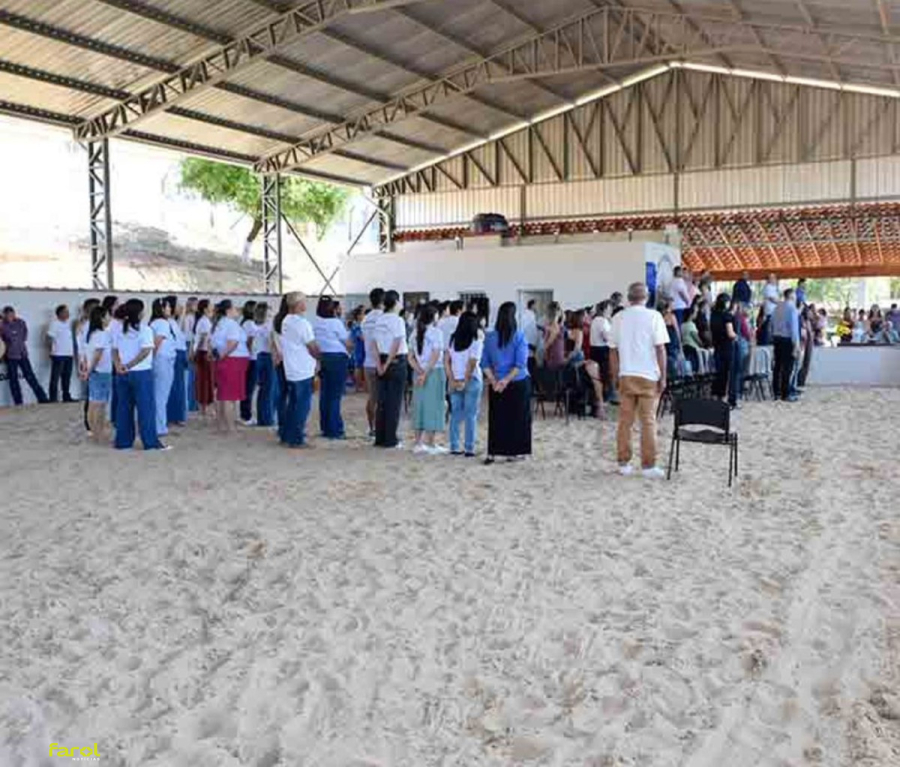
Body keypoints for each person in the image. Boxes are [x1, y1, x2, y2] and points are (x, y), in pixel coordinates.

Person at [609, 283, 669, 479]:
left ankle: (623, 463)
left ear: (628, 297)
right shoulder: (655, 316)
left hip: (626, 374)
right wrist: (663, 376)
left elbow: (613, 351)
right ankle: (648, 465)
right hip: (649, 375)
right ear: (647, 296)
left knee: (625, 422)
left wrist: (615, 375)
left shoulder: (618, 318)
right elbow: (661, 349)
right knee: (648, 422)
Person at [481, 302, 532, 465]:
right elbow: (520, 364)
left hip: (496, 384)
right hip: (517, 383)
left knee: (497, 418)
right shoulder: (519, 336)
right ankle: (514, 452)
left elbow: (484, 363)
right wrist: (505, 381)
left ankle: (493, 452)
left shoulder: (489, 337)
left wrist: (495, 381)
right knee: (518, 418)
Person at [113, 299, 166, 451]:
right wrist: (129, 365)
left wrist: (119, 366)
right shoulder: (145, 330)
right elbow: (145, 351)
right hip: (141, 373)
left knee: (123, 408)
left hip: (122, 374)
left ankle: (123, 442)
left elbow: (114, 350)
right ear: (139, 313)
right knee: (146, 409)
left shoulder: (119, 330)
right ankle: (150, 443)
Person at [279, 292, 319, 448]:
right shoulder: (303, 324)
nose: (306, 304)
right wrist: (319, 358)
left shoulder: (286, 320)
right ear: (298, 304)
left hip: (291, 367)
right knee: (302, 405)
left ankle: (287, 435)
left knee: (293, 404)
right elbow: (312, 346)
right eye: (304, 301)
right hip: (303, 368)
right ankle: (296, 438)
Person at [410, 304, 447, 454]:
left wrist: (419, 371)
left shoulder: (414, 333)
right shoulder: (436, 332)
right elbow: (436, 354)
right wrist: (426, 373)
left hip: (418, 373)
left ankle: (418, 443)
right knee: (435, 406)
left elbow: (410, 357)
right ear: (433, 317)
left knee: (419, 406)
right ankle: (430, 443)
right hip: (434, 372)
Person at [374, 290, 409, 449]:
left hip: (381, 360)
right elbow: (396, 342)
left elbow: (373, 343)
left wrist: (379, 365)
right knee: (394, 403)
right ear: (395, 303)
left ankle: (380, 438)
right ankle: (390, 439)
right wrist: (387, 364)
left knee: (382, 402)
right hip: (395, 362)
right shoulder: (397, 320)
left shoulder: (379, 319)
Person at [446, 312, 484, 457]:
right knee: (470, 415)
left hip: (456, 379)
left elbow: (447, 361)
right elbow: (473, 363)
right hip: (472, 380)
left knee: (455, 414)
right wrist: (465, 381)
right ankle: (469, 448)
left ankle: (454, 446)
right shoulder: (476, 339)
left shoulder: (452, 338)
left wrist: (452, 379)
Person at [314, 296, 351, 440]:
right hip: (337, 358)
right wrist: (350, 350)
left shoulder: (316, 322)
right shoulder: (336, 323)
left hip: (323, 357)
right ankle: (335, 430)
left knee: (325, 394)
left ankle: (326, 427)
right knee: (335, 395)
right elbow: (347, 342)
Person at [210, 300, 250, 433]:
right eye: (234, 308)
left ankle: (222, 425)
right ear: (228, 310)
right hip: (232, 361)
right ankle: (230, 428)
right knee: (230, 397)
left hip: (228, 360)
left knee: (223, 395)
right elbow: (232, 343)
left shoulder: (220, 323)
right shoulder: (231, 324)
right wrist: (222, 355)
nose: (237, 310)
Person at [0, 306, 49, 406]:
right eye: (8, 315)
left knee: (31, 377)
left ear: (14, 314)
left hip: (23, 354)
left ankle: (42, 398)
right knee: (13, 380)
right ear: (4, 315)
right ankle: (18, 402)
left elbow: (24, 336)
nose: (10, 316)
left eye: (11, 314)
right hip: (10, 356)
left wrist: (15, 341)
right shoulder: (1, 325)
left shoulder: (21, 322)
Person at [83, 305, 113, 442]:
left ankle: (95, 431)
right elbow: (97, 355)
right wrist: (89, 371)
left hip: (95, 371)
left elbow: (87, 355)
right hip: (100, 372)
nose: (109, 318)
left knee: (94, 403)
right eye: (107, 315)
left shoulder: (92, 334)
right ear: (101, 318)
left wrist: (88, 370)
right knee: (99, 405)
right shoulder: (101, 334)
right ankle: (98, 432)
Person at [149, 297, 177, 439]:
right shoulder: (162, 323)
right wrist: (151, 359)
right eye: (167, 307)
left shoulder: (154, 323)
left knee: (158, 394)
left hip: (160, 360)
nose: (170, 309)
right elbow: (157, 342)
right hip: (162, 360)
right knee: (161, 395)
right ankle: (160, 427)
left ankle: (158, 424)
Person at [361, 288, 385, 438]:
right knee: (383, 398)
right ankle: (381, 428)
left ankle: (372, 427)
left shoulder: (365, 318)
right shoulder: (384, 318)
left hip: (368, 362)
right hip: (381, 362)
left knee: (372, 397)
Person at [76, 298, 101, 432]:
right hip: (90, 362)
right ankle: (90, 423)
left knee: (94, 394)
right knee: (92, 394)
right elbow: (82, 347)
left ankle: (92, 423)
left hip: (94, 362)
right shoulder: (85, 325)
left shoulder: (89, 325)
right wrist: (83, 363)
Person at [771, 288, 800, 402]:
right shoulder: (792, 308)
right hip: (787, 340)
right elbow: (793, 329)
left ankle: (776, 392)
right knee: (787, 368)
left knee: (777, 367)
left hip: (777, 339)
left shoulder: (777, 307)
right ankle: (785, 394)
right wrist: (796, 345)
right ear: (792, 296)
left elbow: (772, 323)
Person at [710, 293, 738, 408]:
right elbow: (730, 333)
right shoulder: (727, 316)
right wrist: (738, 337)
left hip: (717, 347)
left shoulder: (713, 315)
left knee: (719, 373)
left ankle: (717, 396)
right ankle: (728, 399)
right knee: (729, 374)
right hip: (727, 347)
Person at [165, 296, 188, 427]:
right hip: (174, 356)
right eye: (178, 305)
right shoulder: (167, 323)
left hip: (179, 355)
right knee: (174, 387)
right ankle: (172, 415)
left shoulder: (174, 322)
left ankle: (177, 414)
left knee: (178, 386)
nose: (181, 308)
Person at [253, 302, 275, 427]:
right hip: (267, 357)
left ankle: (263, 417)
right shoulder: (268, 326)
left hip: (259, 356)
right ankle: (267, 418)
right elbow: (271, 343)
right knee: (268, 389)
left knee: (263, 389)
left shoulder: (256, 325)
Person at [47, 304, 75, 403]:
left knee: (67, 377)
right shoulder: (54, 324)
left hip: (69, 355)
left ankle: (66, 396)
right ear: (60, 313)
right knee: (55, 377)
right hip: (58, 354)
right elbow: (49, 338)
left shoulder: (68, 324)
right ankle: (53, 398)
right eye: (66, 311)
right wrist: (51, 351)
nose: (68, 313)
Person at [589, 301, 615, 403]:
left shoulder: (596, 320)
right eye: (609, 309)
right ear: (605, 309)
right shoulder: (602, 321)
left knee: (598, 375)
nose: (611, 311)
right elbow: (606, 337)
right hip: (602, 350)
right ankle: (606, 397)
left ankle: (601, 396)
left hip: (595, 350)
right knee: (605, 375)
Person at [193, 299, 214, 417]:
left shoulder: (204, 320)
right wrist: (198, 352)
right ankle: (205, 408)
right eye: (210, 306)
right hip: (204, 352)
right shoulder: (204, 321)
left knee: (204, 380)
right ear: (205, 309)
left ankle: (205, 407)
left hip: (203, 351)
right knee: (205, 380)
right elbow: (203, 338)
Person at [239, 301, 259, 426]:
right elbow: (250, 341)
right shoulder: (250, 324)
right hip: (251, 359)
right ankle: (246, 415)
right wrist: (251, 353)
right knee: (249, 388)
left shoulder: (244, 322)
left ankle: (245, 413)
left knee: (248, 387)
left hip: (249, 358)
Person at [182, 296, 199, 413]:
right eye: (195, 304)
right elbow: (189, 334)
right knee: (191, 375)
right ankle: (191, 403)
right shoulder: (188, 318)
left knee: (194, 376)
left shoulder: (193, 318)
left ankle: (193, 402)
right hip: (190, 344)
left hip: (192, 344)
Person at [543, 301, 565, 372]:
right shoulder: (554, 325)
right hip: (553, 356)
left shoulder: (554, 326)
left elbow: (548, 343)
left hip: (554, 356)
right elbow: (547, 344)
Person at [348, 306, 366, 393]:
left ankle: (361, 385)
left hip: (362, 348)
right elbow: (362, 337)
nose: (365, 315)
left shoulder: (361, 325)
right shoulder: (357, 326)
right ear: (358, 316)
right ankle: (358, 386)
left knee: (362, 367)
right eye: (363, 314)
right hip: (359, 349)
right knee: (358, 367)